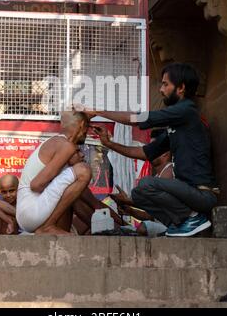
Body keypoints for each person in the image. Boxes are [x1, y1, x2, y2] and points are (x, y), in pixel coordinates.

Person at [76, 62, 218, 237]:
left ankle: (192, 218)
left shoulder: (186, 110)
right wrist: (109, 144)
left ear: (181, 88)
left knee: (147, 184)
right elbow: (145, 153)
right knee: (139, 193)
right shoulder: (177, 124)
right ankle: (180, 223)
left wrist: (98, 111)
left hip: (202, 195)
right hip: (187, 195)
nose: (161, 90)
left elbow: (139, 118)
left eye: (165, 84)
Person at [16, 111, 92, 235]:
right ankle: (48, 226)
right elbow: (36, 185)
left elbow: (91, 201)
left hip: (28, 214)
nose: (87, 132)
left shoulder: (56, 142)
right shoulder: (66, 146)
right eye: (87, 128)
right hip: (31, 210)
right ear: (82, 125)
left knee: (72, 195)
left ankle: (52, 228)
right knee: (83, 170)